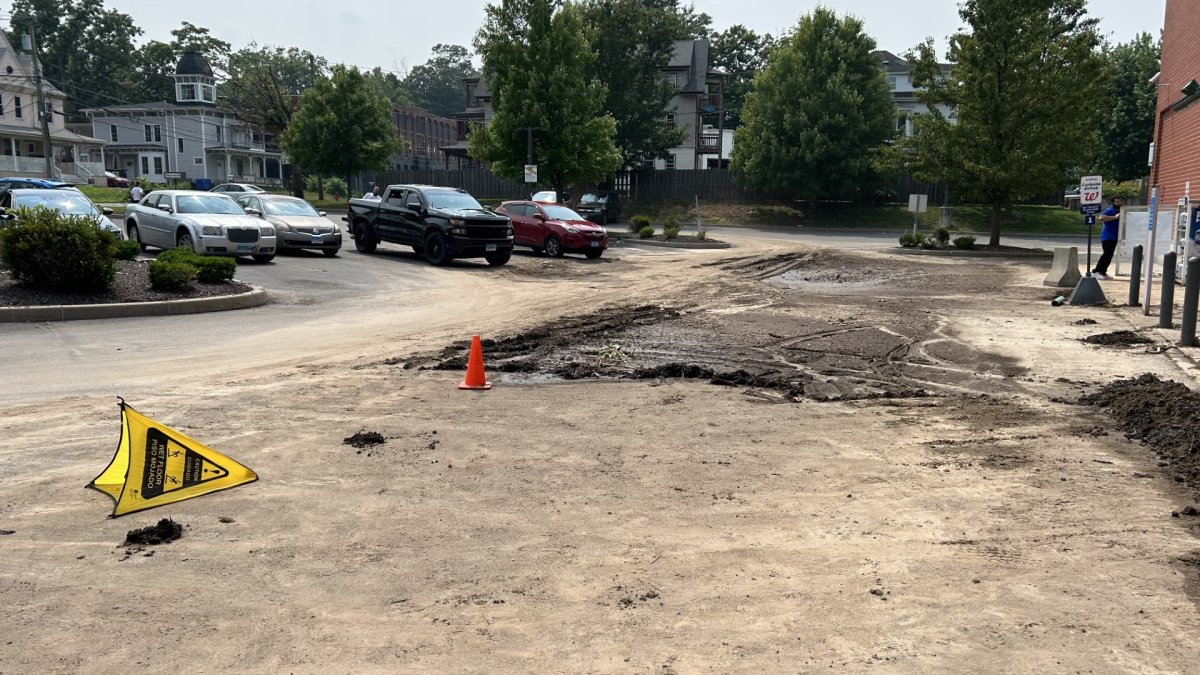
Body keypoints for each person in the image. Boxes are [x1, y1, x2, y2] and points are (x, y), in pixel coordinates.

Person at [1092, 196, 1122, 279]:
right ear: (1113, 202)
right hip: (1108, 236)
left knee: (1109, 256)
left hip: (1115, 237)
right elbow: (1101, 218)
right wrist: (1115, 217)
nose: (1119, 203)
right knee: (1106, 255)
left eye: (1120, 202)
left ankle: (1103, 272)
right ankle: (1096, 271)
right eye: (1117, 202)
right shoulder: (1109, 210)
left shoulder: (1120, 211)